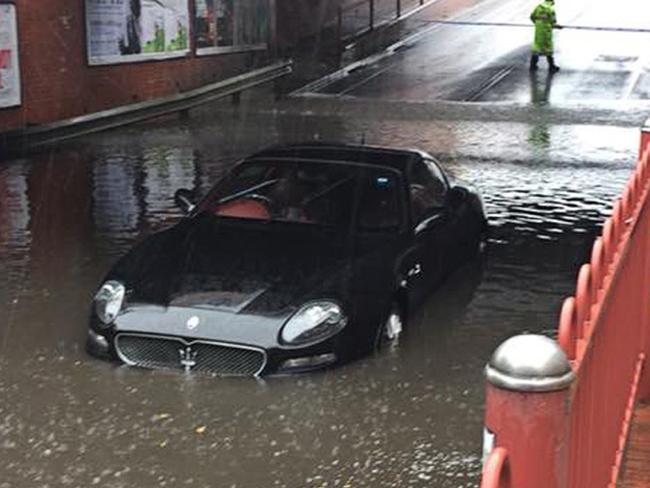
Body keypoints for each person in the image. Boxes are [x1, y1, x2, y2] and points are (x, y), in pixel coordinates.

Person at [529, 0, 561, 73]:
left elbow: (532, 16)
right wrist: (557, 26)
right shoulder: (550, 9)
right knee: (548, 47)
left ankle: (532, 65)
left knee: (537, 46)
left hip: (538, 30)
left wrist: (538, 23)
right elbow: (553, 22)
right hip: (547, 31)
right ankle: (551, 66)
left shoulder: (538, 7)